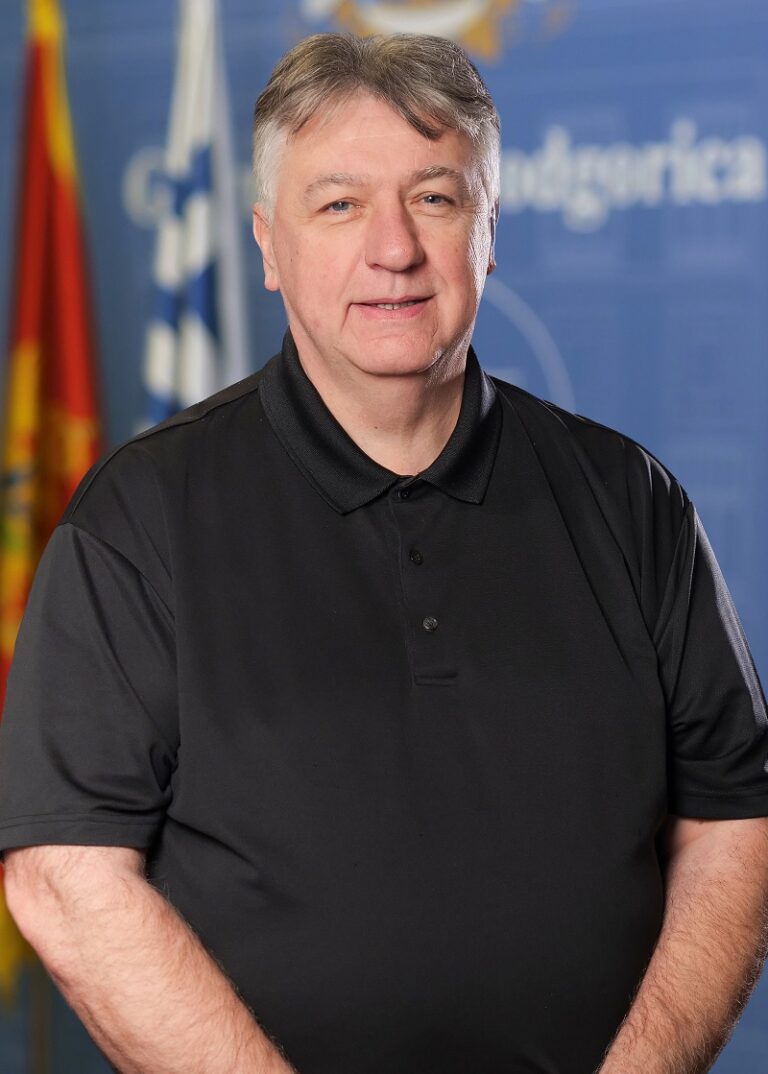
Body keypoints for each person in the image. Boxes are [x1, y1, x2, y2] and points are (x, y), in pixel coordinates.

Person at [1, 31, 768, 1074]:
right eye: (339, 204)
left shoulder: (635, 503)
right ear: (267, 246)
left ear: (489, 228)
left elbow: (735, 823)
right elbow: (64, 876)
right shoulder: (138, 521)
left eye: (435, 198)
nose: (394, 249)